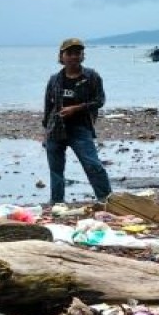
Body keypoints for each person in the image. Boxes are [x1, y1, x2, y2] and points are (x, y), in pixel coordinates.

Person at [42, 38, 112, 205]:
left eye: (77, 53)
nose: (73, 56)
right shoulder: (54, 79)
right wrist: (45, 131)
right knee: (56, 170)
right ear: (62, 56)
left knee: (93, 165)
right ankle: (57, 202)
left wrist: (76, 108)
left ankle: (107, 199)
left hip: (80, 129)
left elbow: (99, 101)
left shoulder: (91, 77)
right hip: (55, 129)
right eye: (69, 53)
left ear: (82, 56)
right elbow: (48, 106)